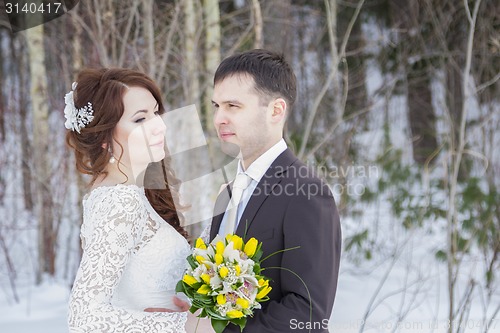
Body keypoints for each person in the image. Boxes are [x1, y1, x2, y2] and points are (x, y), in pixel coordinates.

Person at [65, 68, 212, 332]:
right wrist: (188, 325)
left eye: (155, 113)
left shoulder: (128, 191)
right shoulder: (121, 201)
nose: (160, 126)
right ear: (104, 137)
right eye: (140, 119)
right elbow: (85, 318)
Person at [209, 49, 342, 332]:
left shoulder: (305, 193)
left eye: (233, 106)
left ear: (276, 110)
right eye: (216, 106)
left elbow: (307, 314)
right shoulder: (227, 193)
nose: (219, 118)